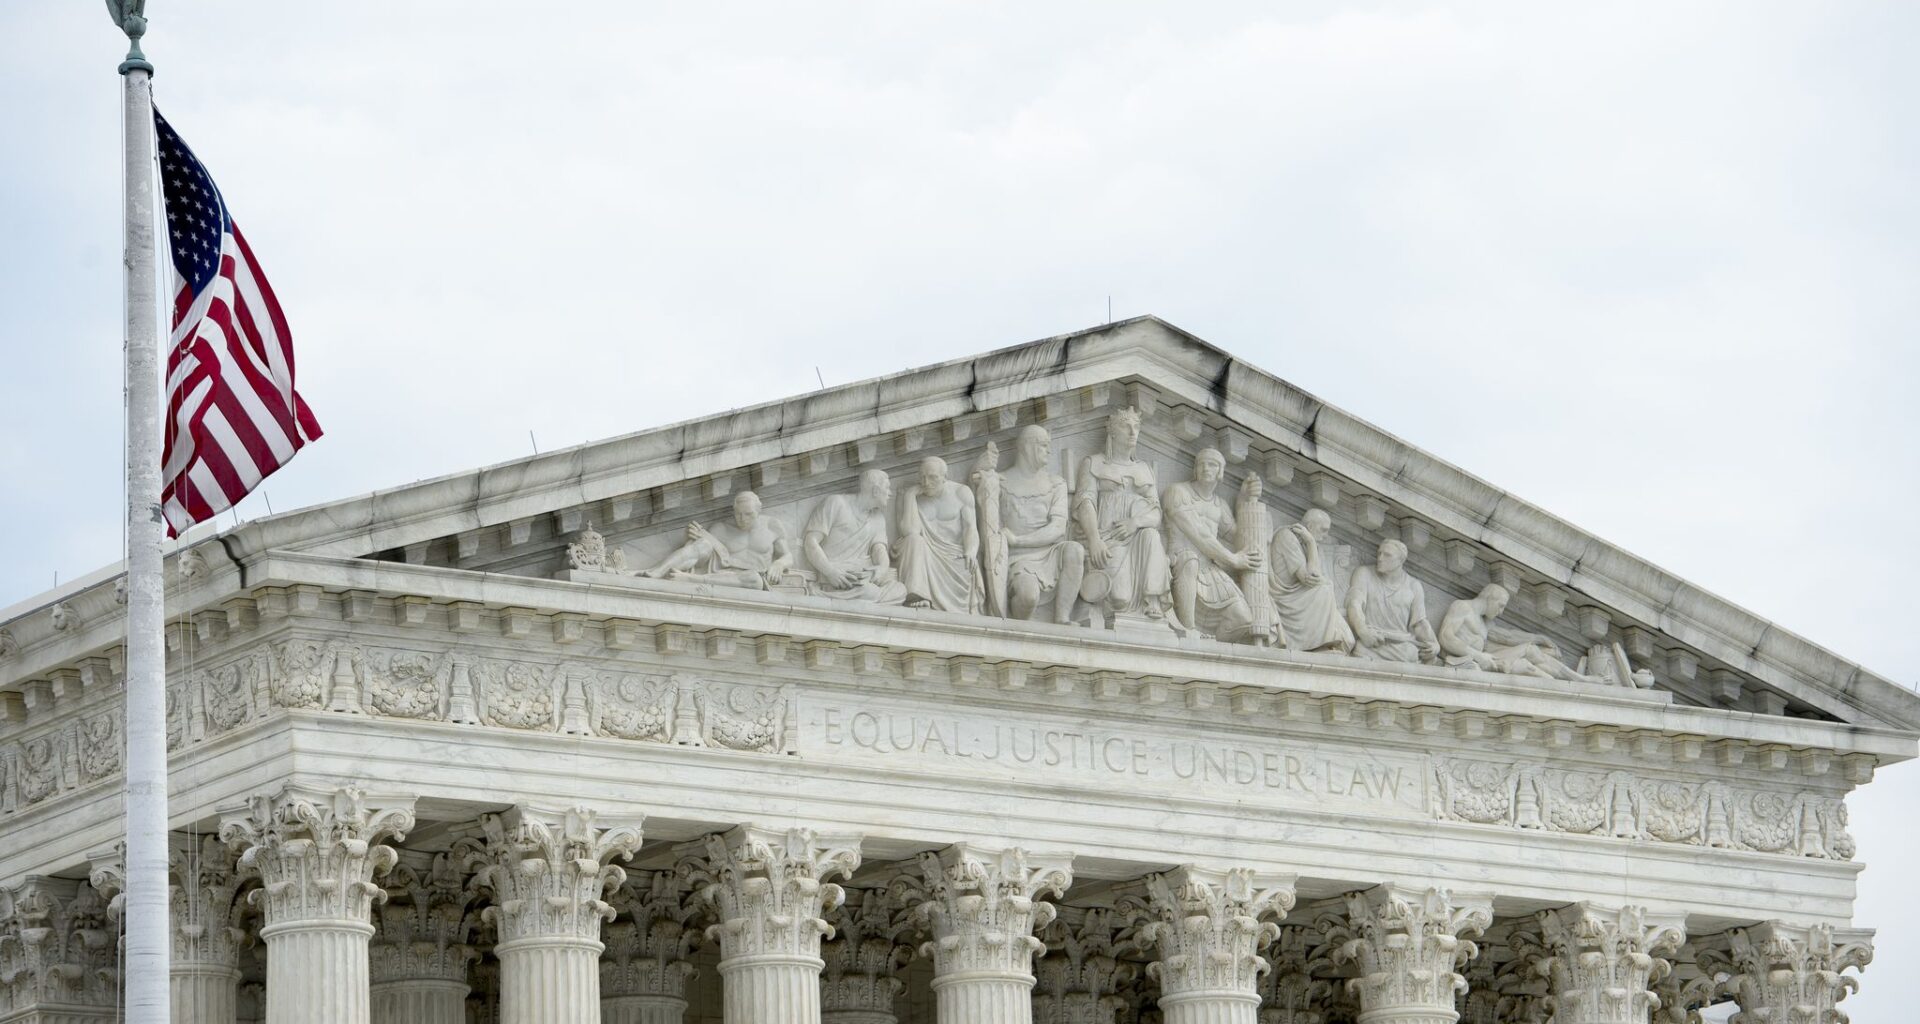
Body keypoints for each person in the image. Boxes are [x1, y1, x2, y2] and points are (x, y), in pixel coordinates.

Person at [1073, 407, 1170, 619]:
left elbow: (1156, 513)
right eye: (1125, 426)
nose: (1133, 432)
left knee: (1151, 534)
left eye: (1136, 427)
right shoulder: (1093, 463)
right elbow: (1085, 503)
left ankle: (1152, 599)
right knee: (1120, 598)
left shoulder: (1144, 469)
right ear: (1112, 431)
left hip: (1137, 538)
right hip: (1107, 539)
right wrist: (1094, 540)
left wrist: (1135, 522)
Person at [1162, 448, 1260, 642]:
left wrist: (1246, 500)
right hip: (1180, 561)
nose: (1206, 468)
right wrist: (1233, 559)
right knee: (1190, 560)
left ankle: (1211, 648)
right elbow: (1198, 533)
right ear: (1195, 469)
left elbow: (1237, 537)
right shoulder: (1177, 492)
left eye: (1212, 464)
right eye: (1202, 464)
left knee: (1243, 619)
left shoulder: (1219, 505)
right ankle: (1188, 631)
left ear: (1220, 471)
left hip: (1209, 568)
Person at [997, 426, 1086, 623]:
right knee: (1028, 597)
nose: (1049, 451)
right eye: (1044, 445)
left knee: (1075, 550)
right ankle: (1020, 630)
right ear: (1028, 447)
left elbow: (1058, 529)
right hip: (1017, 558)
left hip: (1049, 552)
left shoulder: (1056, 483)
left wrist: (1018, 540)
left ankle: (1062, 617)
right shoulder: (1001, 481)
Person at [1439, 584, 1602, 682]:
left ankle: (1578, 680)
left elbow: (1508, 637)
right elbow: (1446, 637)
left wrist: (1539, 638)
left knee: (1531, 650)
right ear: (1490, 598)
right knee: (1528, 668)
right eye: (1501, 605)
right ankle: (1565, 684)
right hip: (1468, 661)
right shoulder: (1462, 607)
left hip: (1486, 659)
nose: (1501, 612)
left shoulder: (1484, 623)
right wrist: (1478, 655)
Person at [637, 490, 793, 590]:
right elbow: (696, 551)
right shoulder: (721, 528)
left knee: (755, 580)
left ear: (759, 510)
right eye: (738, 514)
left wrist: (779, 564)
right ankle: (657, 571)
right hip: (723, 571)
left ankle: (691, 579)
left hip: (749, 578)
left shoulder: (772, 526)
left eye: (748, 514)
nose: (743, 519)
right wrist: (695, 538)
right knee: (704, 544)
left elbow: (788, 556)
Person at [802, 469, 906, 604]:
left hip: (861, 580)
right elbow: (810, 542)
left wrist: (880, 570)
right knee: (870, 592)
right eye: (887, 488)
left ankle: (830, 597)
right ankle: (827, 594)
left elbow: (879, 550)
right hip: (836, 578)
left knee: (900, 590)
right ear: (875, 491)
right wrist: (831, 572)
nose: (890, 493)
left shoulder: (878, 518)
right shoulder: (836, 503)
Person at [895, 456, 981, 612]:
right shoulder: (909, 495)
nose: (926, 482)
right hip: (924, 553)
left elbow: (970, 528)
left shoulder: (961, 493)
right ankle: (918, 595)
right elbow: (910, 531)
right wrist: (910, 495)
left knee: (967, 563)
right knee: (914, 541)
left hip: (953, 554)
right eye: (922, 477)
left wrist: (971, 550)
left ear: (944, 477)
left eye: (932, 477)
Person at [1269, 509, 1355, 653]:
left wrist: (1311, 544)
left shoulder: (1312, 545)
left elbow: (1318, 578)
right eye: (1323, 530)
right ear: (1309, 526)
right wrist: (1310, 542)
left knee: (1348, 641)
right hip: (1285, 598)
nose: (1326, 536)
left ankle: (1320, 642)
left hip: (1304, 598)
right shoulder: (1286, 536)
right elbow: (1310, 578)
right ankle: (1318, 645)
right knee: (1324, 589)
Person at [1345, 539, 1437, 663]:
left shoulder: (1414, 585)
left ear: (1401, 560)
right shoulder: (1364, 573)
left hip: (1402, 646)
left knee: (1413, 654)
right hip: (1372, 642)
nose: (1380, 558)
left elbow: (1419, 622)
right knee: (1360, 650)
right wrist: (1362, 630)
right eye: (1379, 553)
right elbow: (1354, 604)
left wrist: (1434, 644)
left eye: (1387, 555)